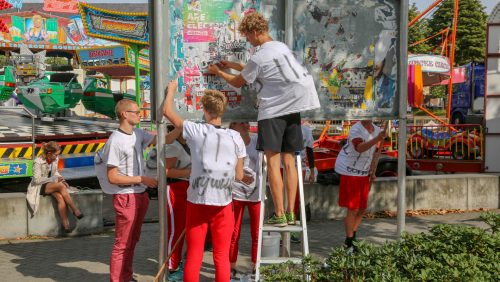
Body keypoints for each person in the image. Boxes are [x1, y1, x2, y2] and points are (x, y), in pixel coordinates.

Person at [207, 12, 320, 227]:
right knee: (290, 162)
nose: (248, 40)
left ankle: (278, 213)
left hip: (274, 110)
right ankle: (290, 212)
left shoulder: (259, 57)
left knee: (273, 161)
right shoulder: (280, 48)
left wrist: (219, 73)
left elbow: (240, 82)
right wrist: (232, 64)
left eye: (248, 36)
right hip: (295, 106)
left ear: (256, 32)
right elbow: (257, 71)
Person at [163, 78, 246, 282]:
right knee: (221, 256)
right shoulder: (236, 137)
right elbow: (240, 176)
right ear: (222, 111)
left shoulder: (196, 130)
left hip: (198, 201)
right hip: (223, 204)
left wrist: (171, 90)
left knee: (194, 254)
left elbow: (167, 111)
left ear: (204, 110)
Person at [99, 99, 158, 282]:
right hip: (126, 196)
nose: (140, 115)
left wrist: (179, 125)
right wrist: (142, 179)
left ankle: (127, 276)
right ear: (125, 114)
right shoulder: (115, 141)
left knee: (132, 241)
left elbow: (160, 139)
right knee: (122, 243)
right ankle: (117, 279)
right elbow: (113, 177)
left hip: (140, 194)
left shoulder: (137, 133)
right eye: (137, 112)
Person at [334, 120, 386, 251]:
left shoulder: (376, 129)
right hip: (349, 171)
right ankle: (349, 241)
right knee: (353, 208)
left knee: (362, 208)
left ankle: (353, 237)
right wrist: (377, 139)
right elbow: (359, 148)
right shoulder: (355, 129)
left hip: (363, 173)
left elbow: (374, 153)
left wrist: (373, 170)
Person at [26, 141, 84, 233]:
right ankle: (75, 209)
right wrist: (53, 179)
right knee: (61, 186)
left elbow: (55, 172)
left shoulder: (54, 159)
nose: (57, 157)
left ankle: (66, 225)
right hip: (39, 186)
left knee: (60, 197)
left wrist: (62, 179)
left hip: (51, 184)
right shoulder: (38, 161)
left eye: (57, 155)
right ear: (49, 153)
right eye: (55, 155)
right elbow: (37, 180)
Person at [228, 121, 261, 276]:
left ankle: (256, 266)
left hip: (256, 194)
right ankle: (231, 266)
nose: (232, 125)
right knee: (234, 233)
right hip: (236, 193)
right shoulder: (230, 142)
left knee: (256, 233)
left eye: (241, 122)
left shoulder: (257, 141)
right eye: (235, 122)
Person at [164, 125, 191, 281]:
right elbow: (166, 171)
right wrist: (190, 172)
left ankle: (178, 262)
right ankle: (172, 268)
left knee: (183, 229)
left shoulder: (187, 145)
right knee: (176, 229)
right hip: (175, 187)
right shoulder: (173, 146)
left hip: (186, 188)